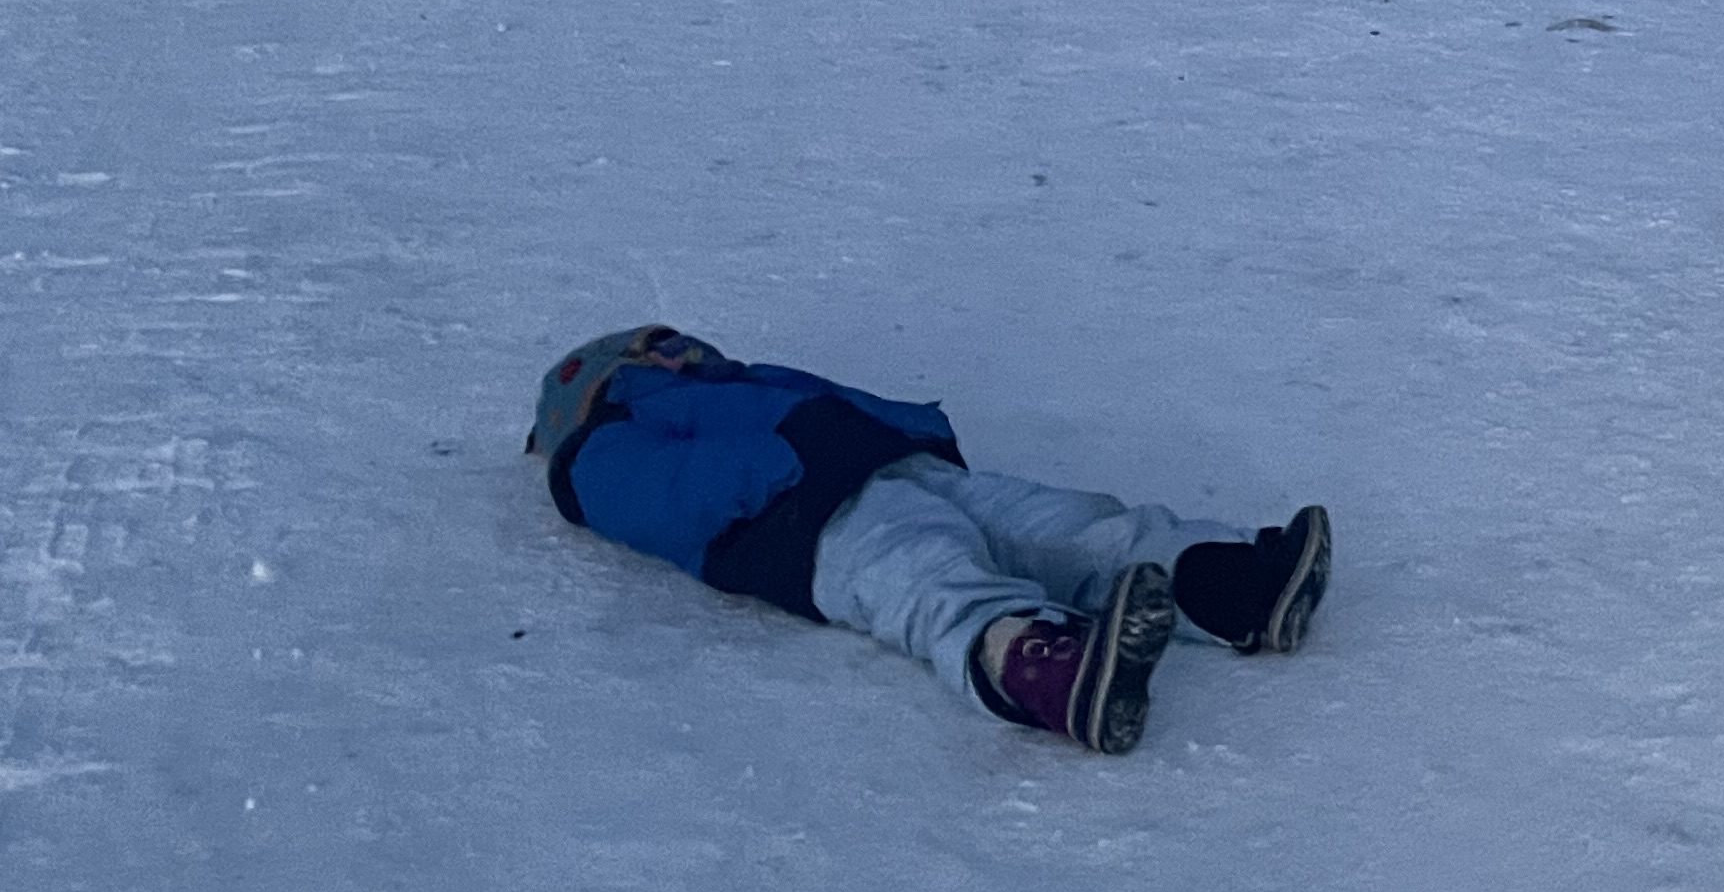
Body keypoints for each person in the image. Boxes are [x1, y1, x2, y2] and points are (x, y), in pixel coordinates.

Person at [527, 324, 1330, 750]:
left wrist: (901, 431)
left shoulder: (734, 385)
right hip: (808, 524)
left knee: (1066, 522)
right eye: (655, 349)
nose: (684, 352)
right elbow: (665, 505)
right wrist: (780, 468)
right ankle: (1042, 667)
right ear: (600, 381)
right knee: (930, 577)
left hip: (894, 468)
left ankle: (1225, 584)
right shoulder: (600, 448)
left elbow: (829, 402)